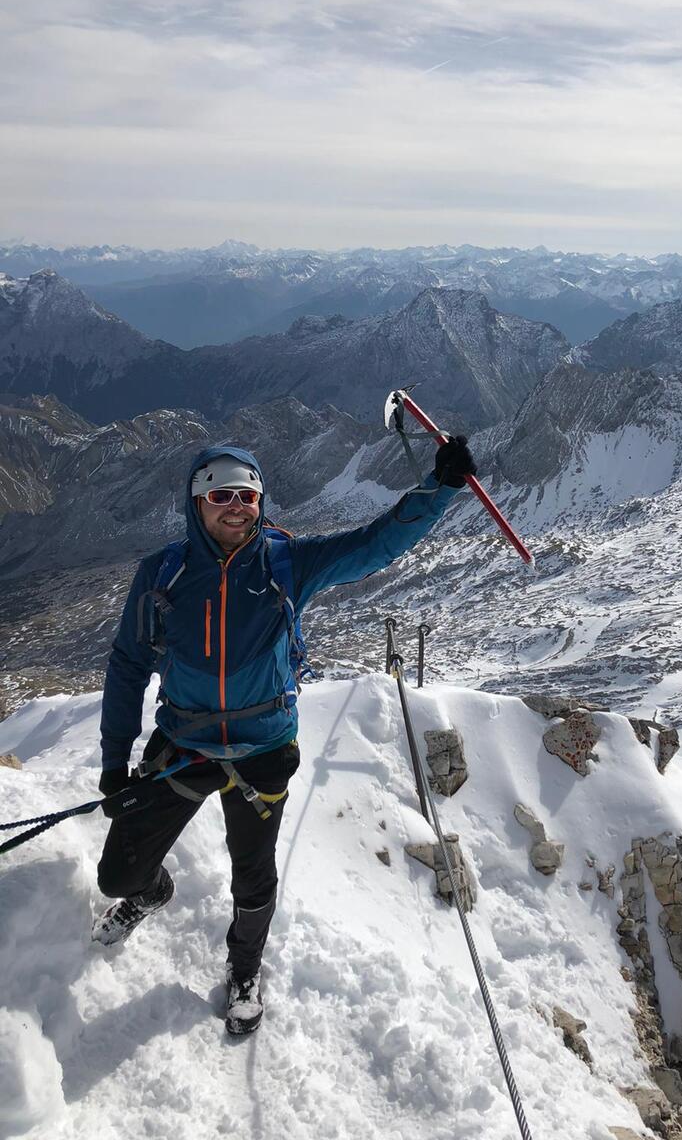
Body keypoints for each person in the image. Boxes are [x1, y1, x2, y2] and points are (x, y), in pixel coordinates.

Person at [93, 438, 476, 1035]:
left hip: (263, 751)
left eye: (248, 496)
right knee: (117, 873)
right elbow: (127, 665)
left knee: (253, 876)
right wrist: (114, 762)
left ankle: (245, 968)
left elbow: (375, 544)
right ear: (196, 502)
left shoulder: (287, 563)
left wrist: (441, 488)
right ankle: (149, 893)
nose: (237, 508)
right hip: (183, 747)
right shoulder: (163, 572)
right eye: (221, 496)